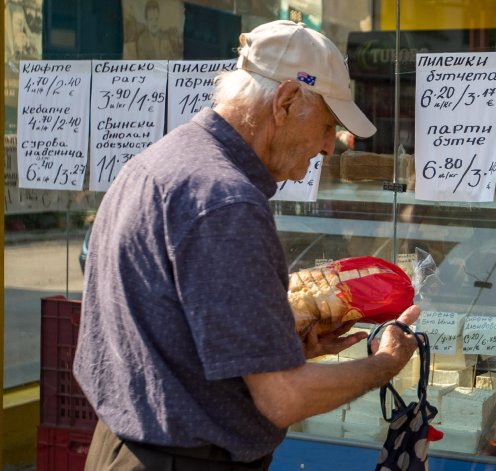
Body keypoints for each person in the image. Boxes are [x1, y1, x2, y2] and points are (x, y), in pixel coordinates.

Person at [74, 20, 419, 470]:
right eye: (327, 125)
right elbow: (283, 398)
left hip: (125, 446)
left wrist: (284, 349)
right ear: (287, 100)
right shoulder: (226, 202)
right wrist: (386, 364)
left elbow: (170, 342)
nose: (328, 148)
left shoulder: (160, 162)